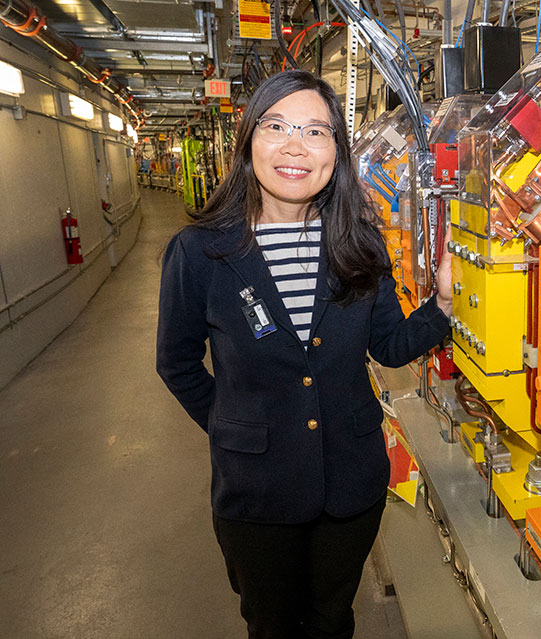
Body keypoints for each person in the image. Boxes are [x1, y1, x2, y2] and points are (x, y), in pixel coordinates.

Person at [156, 70, 452, 639]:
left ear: (335, 151)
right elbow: (177, 363)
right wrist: (232, 426)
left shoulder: (358, 242)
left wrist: (440, 304)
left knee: (332, 618)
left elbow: (388, 347)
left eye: (316, 131)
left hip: (351, 483)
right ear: (249, 140)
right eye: (277, 126)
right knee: (271, 623)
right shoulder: (200, 253)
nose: (296, 146)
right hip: (256, 492)